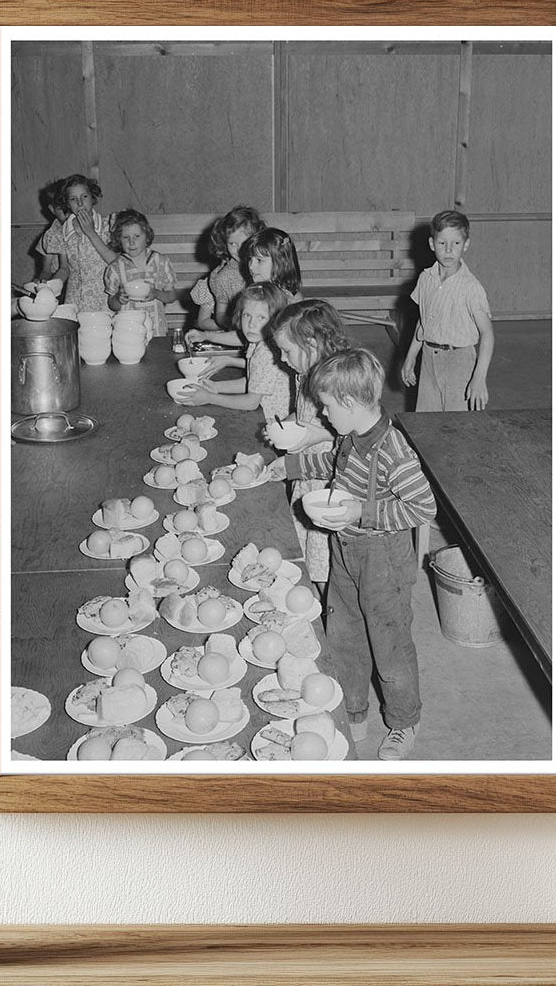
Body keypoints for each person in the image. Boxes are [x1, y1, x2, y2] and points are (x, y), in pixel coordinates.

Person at [269, 348, 436, 760]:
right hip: (345, 548)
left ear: (348, 402)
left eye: (326, 407)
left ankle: (403, 720)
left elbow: (422, 507)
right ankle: (353, 708)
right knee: (344, 634)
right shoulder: (349, 436)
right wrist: (290, 467)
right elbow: (331, 462)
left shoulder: (394, 450)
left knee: (390, 645)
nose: (323, 416)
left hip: (384, 558)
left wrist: (362, 510)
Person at [266, 299, 352, 589]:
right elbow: (304, 413)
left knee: (324, 551)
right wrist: (284, 425)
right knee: (304, 542)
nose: (281, 358)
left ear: (312, 345)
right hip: (307, 470)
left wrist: (317, 435)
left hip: (329, 474)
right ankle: (311, 592)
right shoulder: (303, 374)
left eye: (287, 350)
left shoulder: (338, 379)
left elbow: (353, 429)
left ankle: (328, 601)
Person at [401, 210, 494, 411]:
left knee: (458, 427)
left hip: (459, 361)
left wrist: (479, 377)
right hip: (428, 359)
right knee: (426, 424)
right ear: (432, 244)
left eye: (456, 244)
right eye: (443, 243)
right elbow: (423, 321)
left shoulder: (471, 288)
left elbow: (487, 333)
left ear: (466, 245)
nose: (449, 250)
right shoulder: (426, 279)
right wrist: (410, 357)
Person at [176, 282, 291, 420]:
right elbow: (253, 384)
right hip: (266, 416)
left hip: (278, 422)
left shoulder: (266, 352)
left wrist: (210, 398)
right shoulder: (258, 343)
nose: (251, 324)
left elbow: (251, 402)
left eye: (261, 317)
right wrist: (216, 387)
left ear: (276, 320)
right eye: (247, 315)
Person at [186, 225, 303, 351]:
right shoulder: (259, 292)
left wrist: (231, 361)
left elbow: (282, 357)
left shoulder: (291, 300)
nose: (251, 267)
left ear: (280, 262)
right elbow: (248, 336)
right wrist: (206, 335)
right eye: (250, 259)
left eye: (259, 260)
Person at [104, 209, 178, 336]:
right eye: (125, 237)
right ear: (118, 240)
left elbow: (171, 296)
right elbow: (112, 304)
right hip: (128, 331)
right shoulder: (115, 268)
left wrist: (156, 293)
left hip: (156, 331)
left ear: (147, 236)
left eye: (137, 236)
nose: (131, 242)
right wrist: (118, 299)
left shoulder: (161, 262)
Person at [191, 205, 264, 331]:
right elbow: (220, 314)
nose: (240, 249)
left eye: (246, 243)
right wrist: (234, 324)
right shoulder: (224, 277)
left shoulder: (266, 266)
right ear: (224, 243)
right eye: (232, 244)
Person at [53, 174, 118, 313]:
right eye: (73, 199)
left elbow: (117, 263)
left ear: (93, 197)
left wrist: (91, 232)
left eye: (84, 197)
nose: (80, 203)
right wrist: (49, 286)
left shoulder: (108, 226)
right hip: (75, 300)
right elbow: (64, 269)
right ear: (67, 204)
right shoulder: (63, 232)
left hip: (103, 300)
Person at [33, 179, 68, 279]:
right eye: (62, 208)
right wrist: (42, 283)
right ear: (52, 209)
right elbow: (46, 271)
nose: (68, 213)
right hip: (57, 282)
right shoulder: (50, 235)